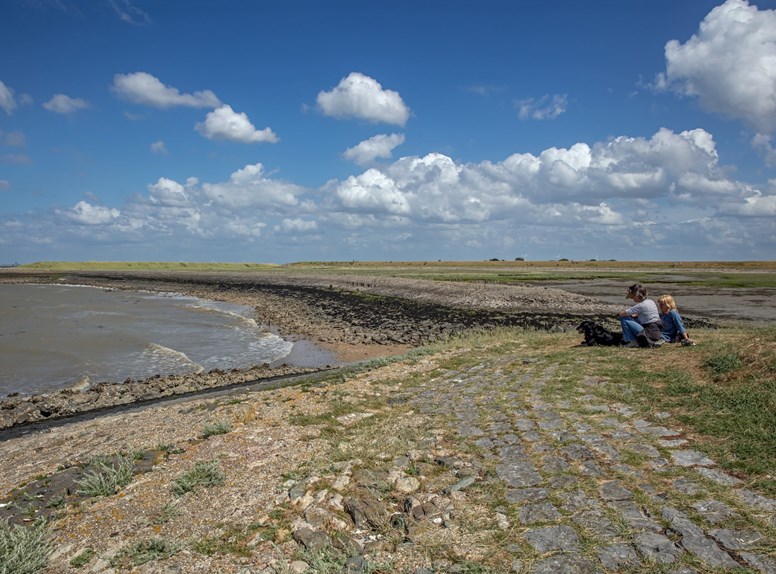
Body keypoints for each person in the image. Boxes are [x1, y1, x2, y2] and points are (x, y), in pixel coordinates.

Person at [618, 283, 664, 348]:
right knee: (634, 318)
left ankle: (632, 341)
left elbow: (623, 313)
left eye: (632, 296)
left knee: (623, 318)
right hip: (656, 329)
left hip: (649, 331)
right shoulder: (651, 301)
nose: (631, 298)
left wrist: (618, 314)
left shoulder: (640, 305)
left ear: (637, 295)